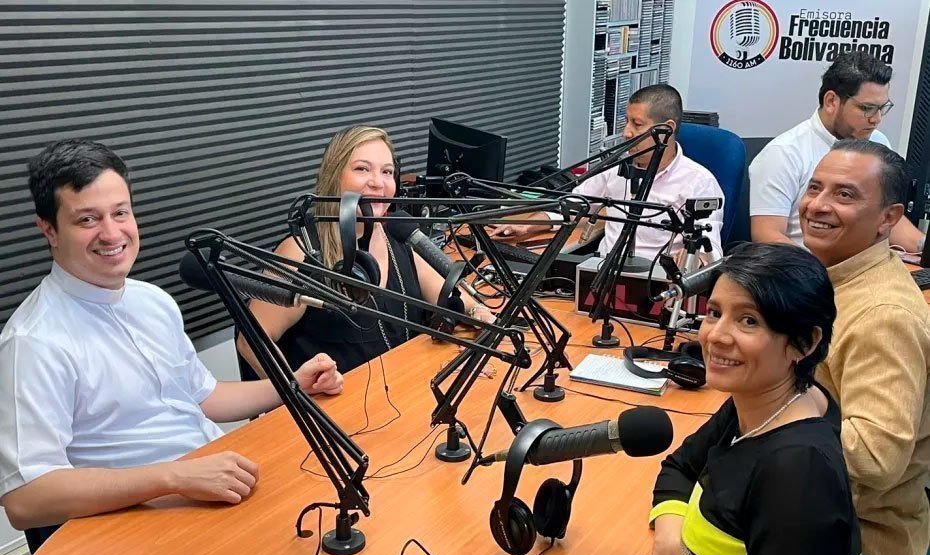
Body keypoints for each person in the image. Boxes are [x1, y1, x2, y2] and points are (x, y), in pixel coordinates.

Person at [0, 139, 344, 533]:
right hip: (136, 523)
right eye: (87, 220)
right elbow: (26, 500)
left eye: (120, 212)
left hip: (209, 490)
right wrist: (174, 476)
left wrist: (292, 386)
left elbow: (204, 398)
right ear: (49, 230)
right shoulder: (34, 341)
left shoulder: (152, 302)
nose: (112, 234)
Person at [640, 242, 859, 555]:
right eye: (714, 313)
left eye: (749, 321)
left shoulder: (797, 473)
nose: (716, 336)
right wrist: (670, 537)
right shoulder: (764, 400)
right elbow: (679, 467)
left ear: (804, 343)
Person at [238, 125, 495, 376]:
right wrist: (300, 392)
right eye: (362, 169)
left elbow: (451, 296)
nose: (378, 183)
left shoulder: (396, 236)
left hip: (406, 390)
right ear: (334, 177)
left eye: (387, 172)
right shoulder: (300, 251)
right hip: (337, 407)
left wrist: (477, 312)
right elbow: (252, 341)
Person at [802, 139, 930, 555]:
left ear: (889, 218)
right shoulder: (832, 279)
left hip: (866, 553)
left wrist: (775, 420)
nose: (818, 205)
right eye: (815, 187)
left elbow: (876, 459)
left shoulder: (882, 315)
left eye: (845, 195)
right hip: (819, 519)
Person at [489, 84, 724, 263]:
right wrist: (525, 226)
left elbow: (708, 253)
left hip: (655, 284)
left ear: (667, 129)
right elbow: (573, 205)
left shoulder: (699, 183)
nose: (627, 133)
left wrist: (688, 264)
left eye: (637, 124)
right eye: (626, 122)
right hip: (602, 273)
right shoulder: (615, 170)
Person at [750, 50, 924, 253]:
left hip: (869, 267)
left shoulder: (877, 143)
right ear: (831, 101)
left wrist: (924, 248)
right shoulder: (783, 154)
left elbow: (887, 219)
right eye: (867, 108)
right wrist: (826, 274)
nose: (876, 119)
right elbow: (767, 236)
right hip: (810, 273)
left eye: (881, 108)